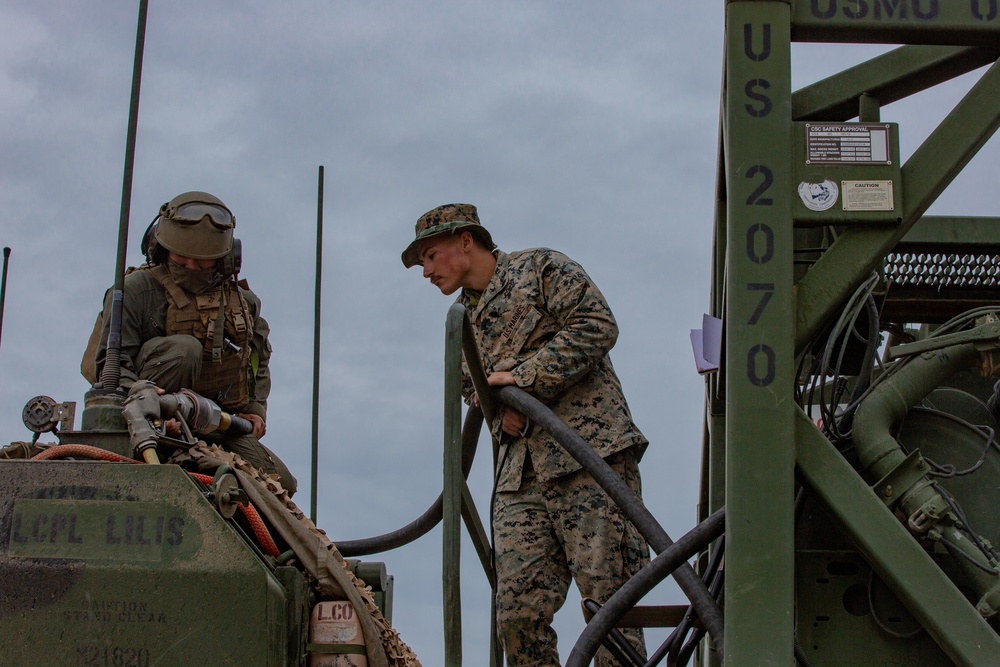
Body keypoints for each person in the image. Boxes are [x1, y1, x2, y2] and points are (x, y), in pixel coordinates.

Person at [402, 203, 649, 665]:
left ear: (465, 241)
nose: (425, 271)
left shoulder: (540, 269)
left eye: (431, 256)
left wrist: (525, 379)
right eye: (422, 263)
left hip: (590, 461)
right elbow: (472, 393)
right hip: (521, 480)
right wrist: (498, 414)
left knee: (611, 608)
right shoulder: (461, 324)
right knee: (516, 614)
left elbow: (597, 325)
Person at [93, 191, 297, 495]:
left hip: (217, 422)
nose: (190, 265)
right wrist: (142, 393)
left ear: (225, 259)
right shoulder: (135, 291)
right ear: (160, 249)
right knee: (185, 350)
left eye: (202, 262)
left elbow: (257, 361)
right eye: (180, 257)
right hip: (147, 419)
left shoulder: (243, 304)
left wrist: (254, 410)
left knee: (279, 484)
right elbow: (110, 365)